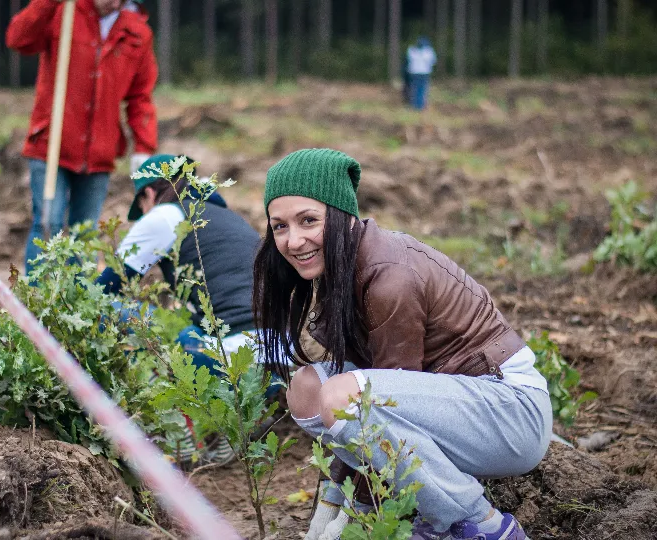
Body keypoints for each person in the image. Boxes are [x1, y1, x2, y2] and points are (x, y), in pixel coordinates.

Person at [252, 149, 551, 540]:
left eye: (309, 220)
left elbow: (383, 409)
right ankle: (419, 511)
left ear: (342, 215)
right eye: (279, 226)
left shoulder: (389, 275)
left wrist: (356, 513)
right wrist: (332, 502)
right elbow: (369, 423)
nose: (294, 240)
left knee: (346, 396)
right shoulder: (341, 267)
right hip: (457, 409)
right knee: (307, 388)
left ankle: (481, 525)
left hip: (511, 415)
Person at [96, 154, 281, 466]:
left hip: (228, 355)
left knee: (114, 312)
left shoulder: (164, 215)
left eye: (140, 206)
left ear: (149, 195)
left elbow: (105, 289)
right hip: (277, 357)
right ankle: (246, 410)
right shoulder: (228, 217)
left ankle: (178, 428)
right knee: (187, 318)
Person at [6, 0, 158, 275]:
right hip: (51, 143)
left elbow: (140, 97)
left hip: (99, 154)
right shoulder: (64, 12)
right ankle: (35, 305)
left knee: (85, 234)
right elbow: (18, 39)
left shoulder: (136, 32)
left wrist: (143, 147)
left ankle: (76, 308)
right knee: (47, 224)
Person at [406, 37, 437, 111]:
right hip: (424, 73)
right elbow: (433, 61)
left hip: (414, 73)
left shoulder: (412, 50)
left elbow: (408, 59)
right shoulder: (428, 51)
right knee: (422, 89)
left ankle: (415, 105)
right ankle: (420, 106)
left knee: (415, 89)